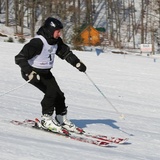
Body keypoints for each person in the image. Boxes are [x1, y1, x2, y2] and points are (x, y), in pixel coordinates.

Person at [15, 17, 86, 134]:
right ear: (50, 30)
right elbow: (19, 58)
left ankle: (61, 119)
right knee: (51, 92)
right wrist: (29, 72)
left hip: (45, 72)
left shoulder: (55, 41)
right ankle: (46, 120)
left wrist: (77, 63)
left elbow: (66, 53)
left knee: (59, 95)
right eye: (58, 31)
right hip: (32, 73)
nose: (59, 34)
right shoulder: (37, 42)